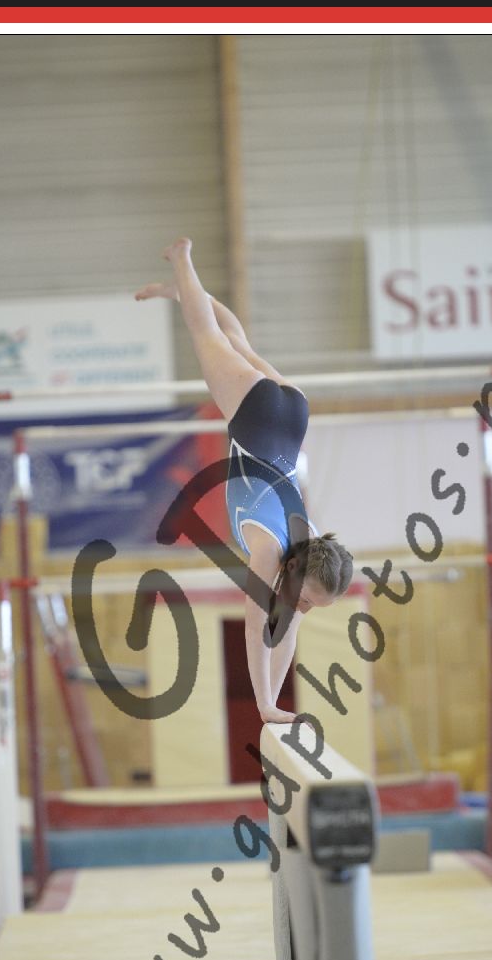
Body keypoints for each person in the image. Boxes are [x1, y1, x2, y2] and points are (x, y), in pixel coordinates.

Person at [135, 238, 354, 725]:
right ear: (295, 572)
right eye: (309, 599)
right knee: (205, 331)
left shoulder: (310, 546)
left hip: (293, 413)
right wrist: (264, 705)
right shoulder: (268, 553)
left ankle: (183, 290)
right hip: (256, 414)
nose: (304, 608)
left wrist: (275, 703)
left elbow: (287, 629)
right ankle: (183, 258)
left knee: (236, 340)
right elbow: (258, 631)